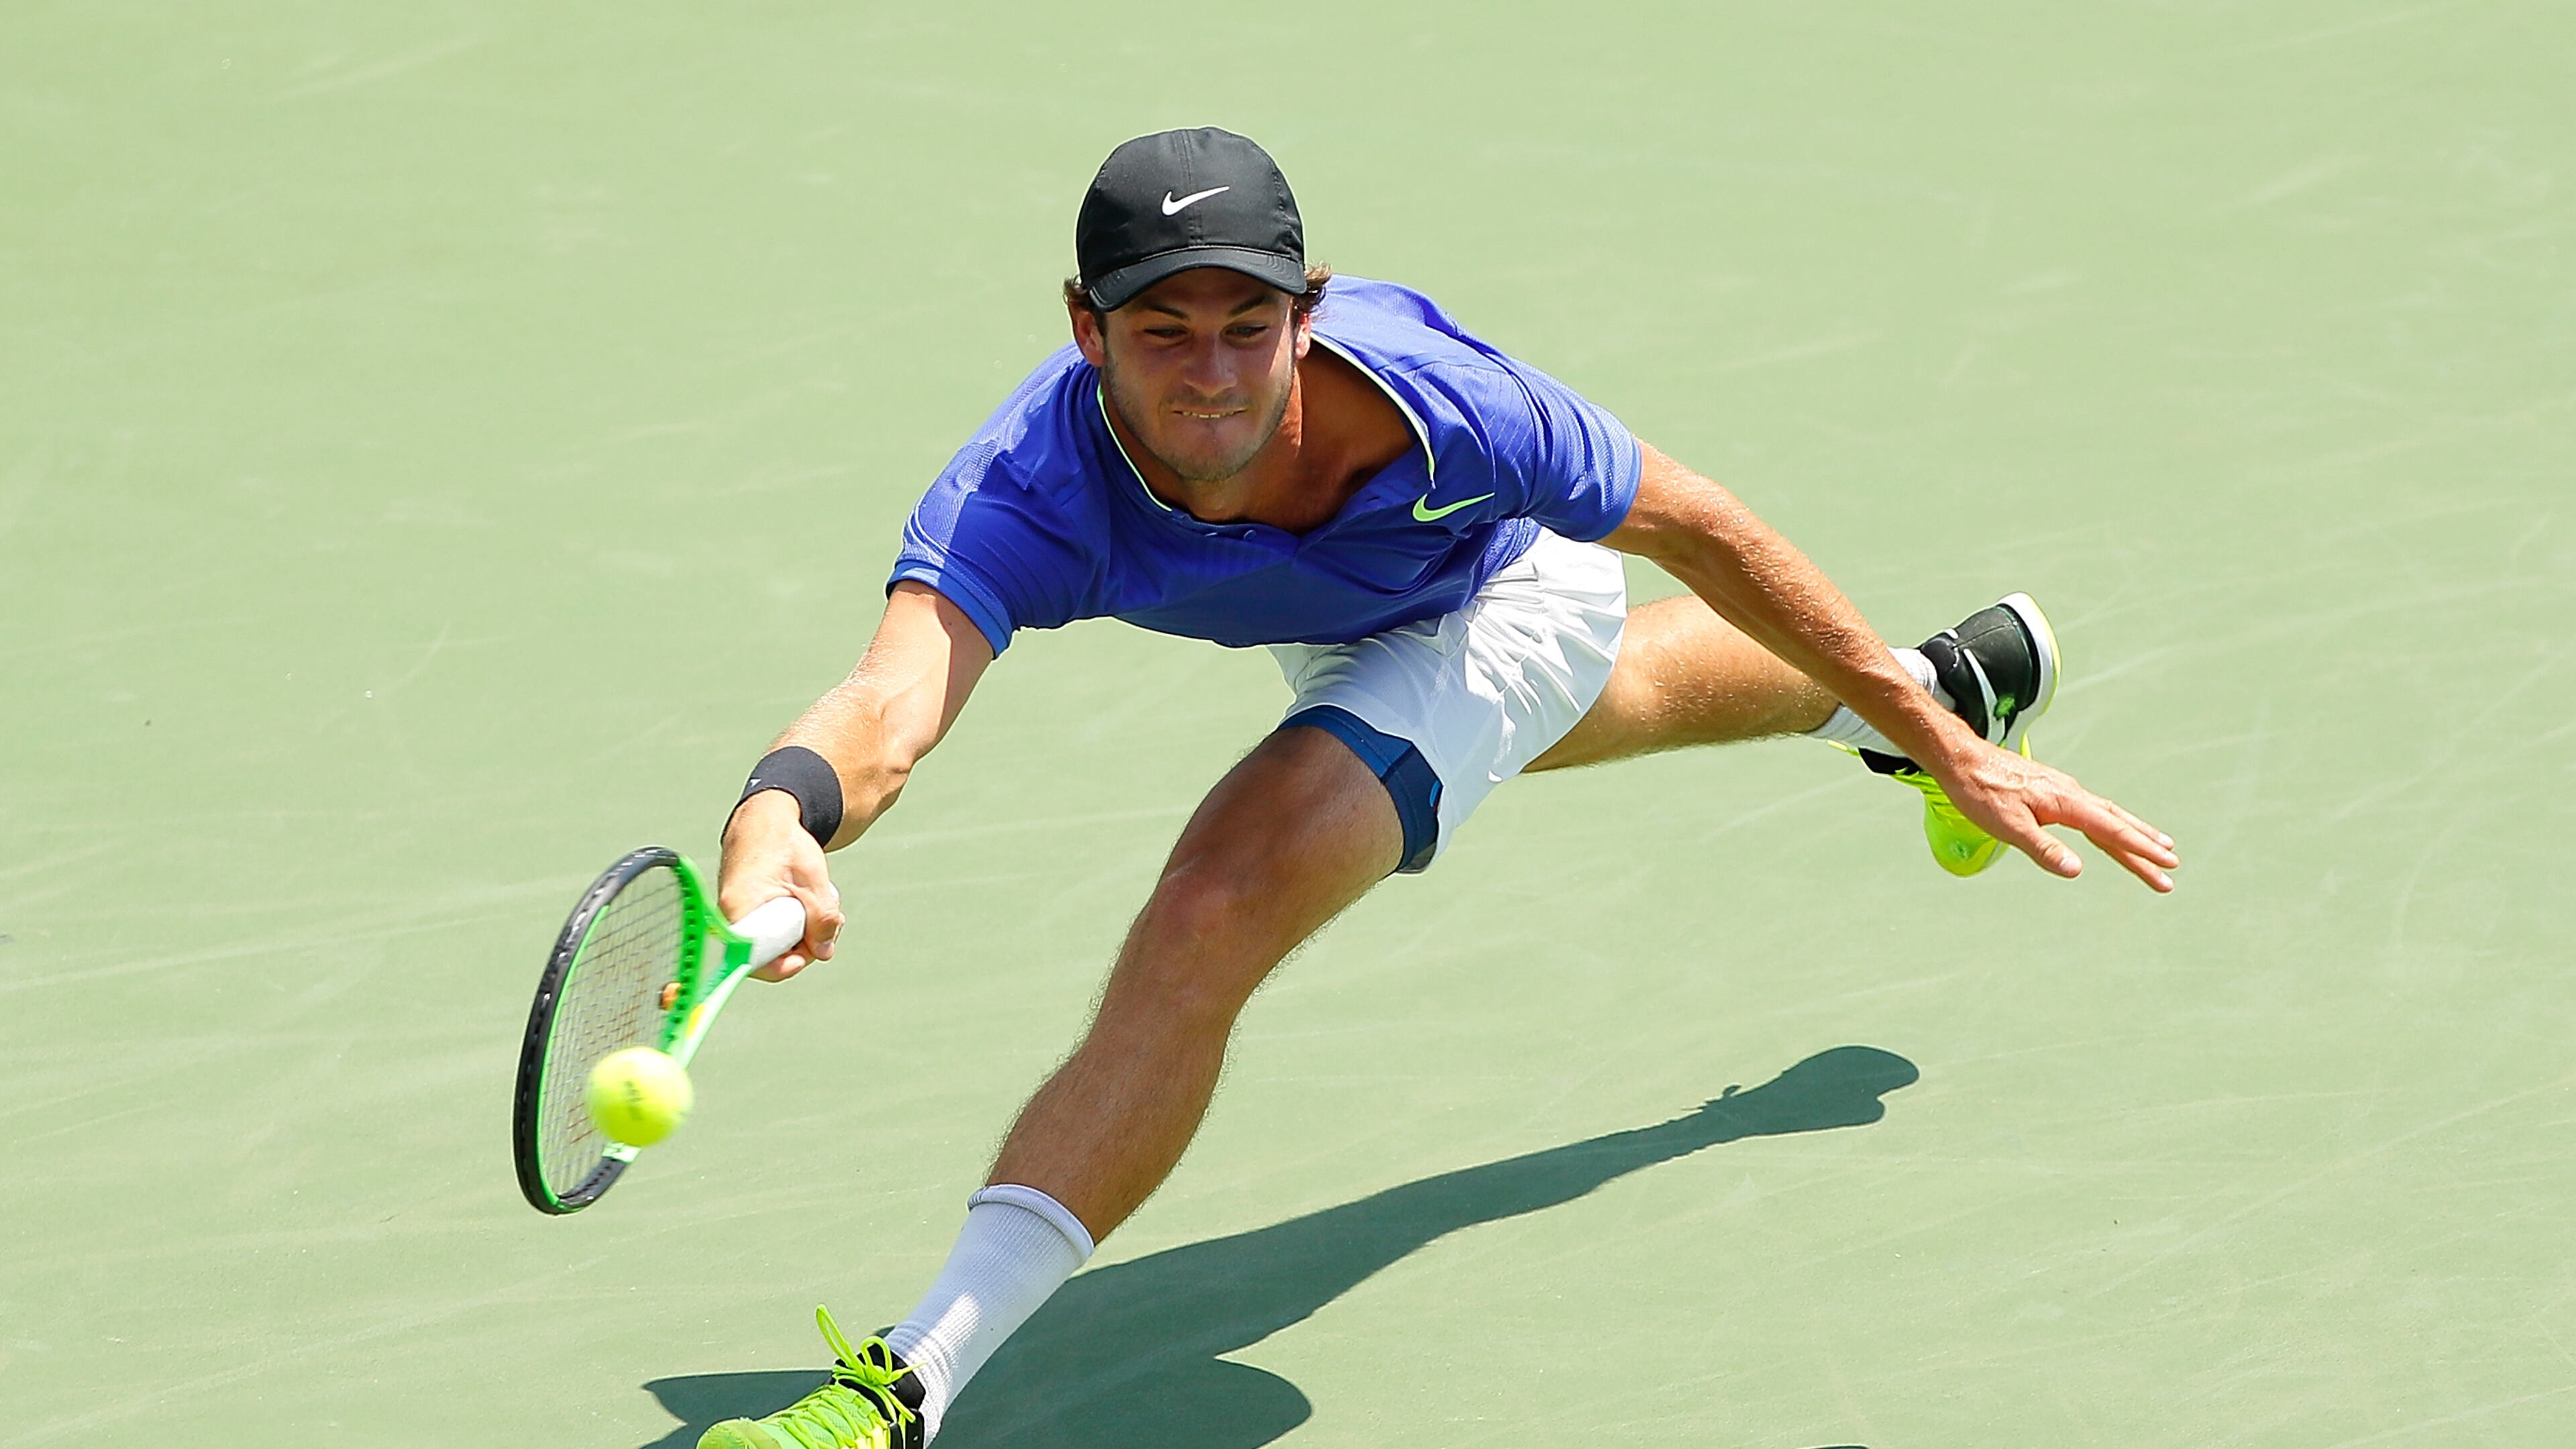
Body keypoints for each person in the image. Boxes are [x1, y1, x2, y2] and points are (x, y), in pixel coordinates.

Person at [698, 127, 2177, 1449]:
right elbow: (896, 695)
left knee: (1218, 901)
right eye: (1162, 331)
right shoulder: (1025, 487)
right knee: (1613, 701)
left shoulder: (1450, 412)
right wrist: (778, 815)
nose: (1210, 373)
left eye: (1247, 327)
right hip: (1346, 609)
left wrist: (1955, 767)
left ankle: (901, 1393)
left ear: (1307, 316)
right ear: (1084, 329)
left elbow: (1701, 528)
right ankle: (1937, 685)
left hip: (1502, 583)